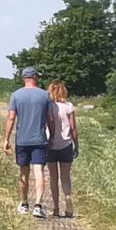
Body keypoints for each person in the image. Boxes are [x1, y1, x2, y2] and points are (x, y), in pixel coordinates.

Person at [3, 66, 50, 218]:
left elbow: (11, 118)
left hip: (22, 140)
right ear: (35, 77)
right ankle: (38, 205)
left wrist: (6, 139)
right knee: (39, 172)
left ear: (24, 78)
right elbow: (50, 119)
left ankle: (24, 203)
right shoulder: (44, 95)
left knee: (23, 172)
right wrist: (53, 135)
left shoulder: (16, 95)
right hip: (39, 139)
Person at [46, 80, 78, 218]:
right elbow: (73, 128)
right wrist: (76, 144)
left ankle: (56, 208)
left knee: (53, 178)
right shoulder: (69, 106)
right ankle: (68, 199)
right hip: (66, 145)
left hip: (51, 145)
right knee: (65, 177)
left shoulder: (49, 107)